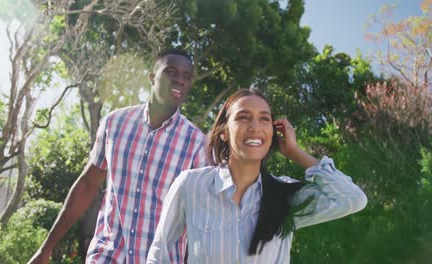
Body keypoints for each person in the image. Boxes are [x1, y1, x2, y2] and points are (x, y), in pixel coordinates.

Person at [147, 88, 368, 263]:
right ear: (224, 132)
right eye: (243, 117)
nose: (255, 127)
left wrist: (296, 153)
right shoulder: (191, 185)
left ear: (273, 132)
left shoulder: (285, 196)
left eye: (264, 119)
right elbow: (160, 252)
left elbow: (352, 199)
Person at [29, 49, 207, 264]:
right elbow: (87, 185)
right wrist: (46, 249)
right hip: (107, 256)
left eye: (186, 76)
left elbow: (199, 219)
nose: (180, 80)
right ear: (152, 77)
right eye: (171, 72)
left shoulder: (197, 144)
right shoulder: (115, 123)